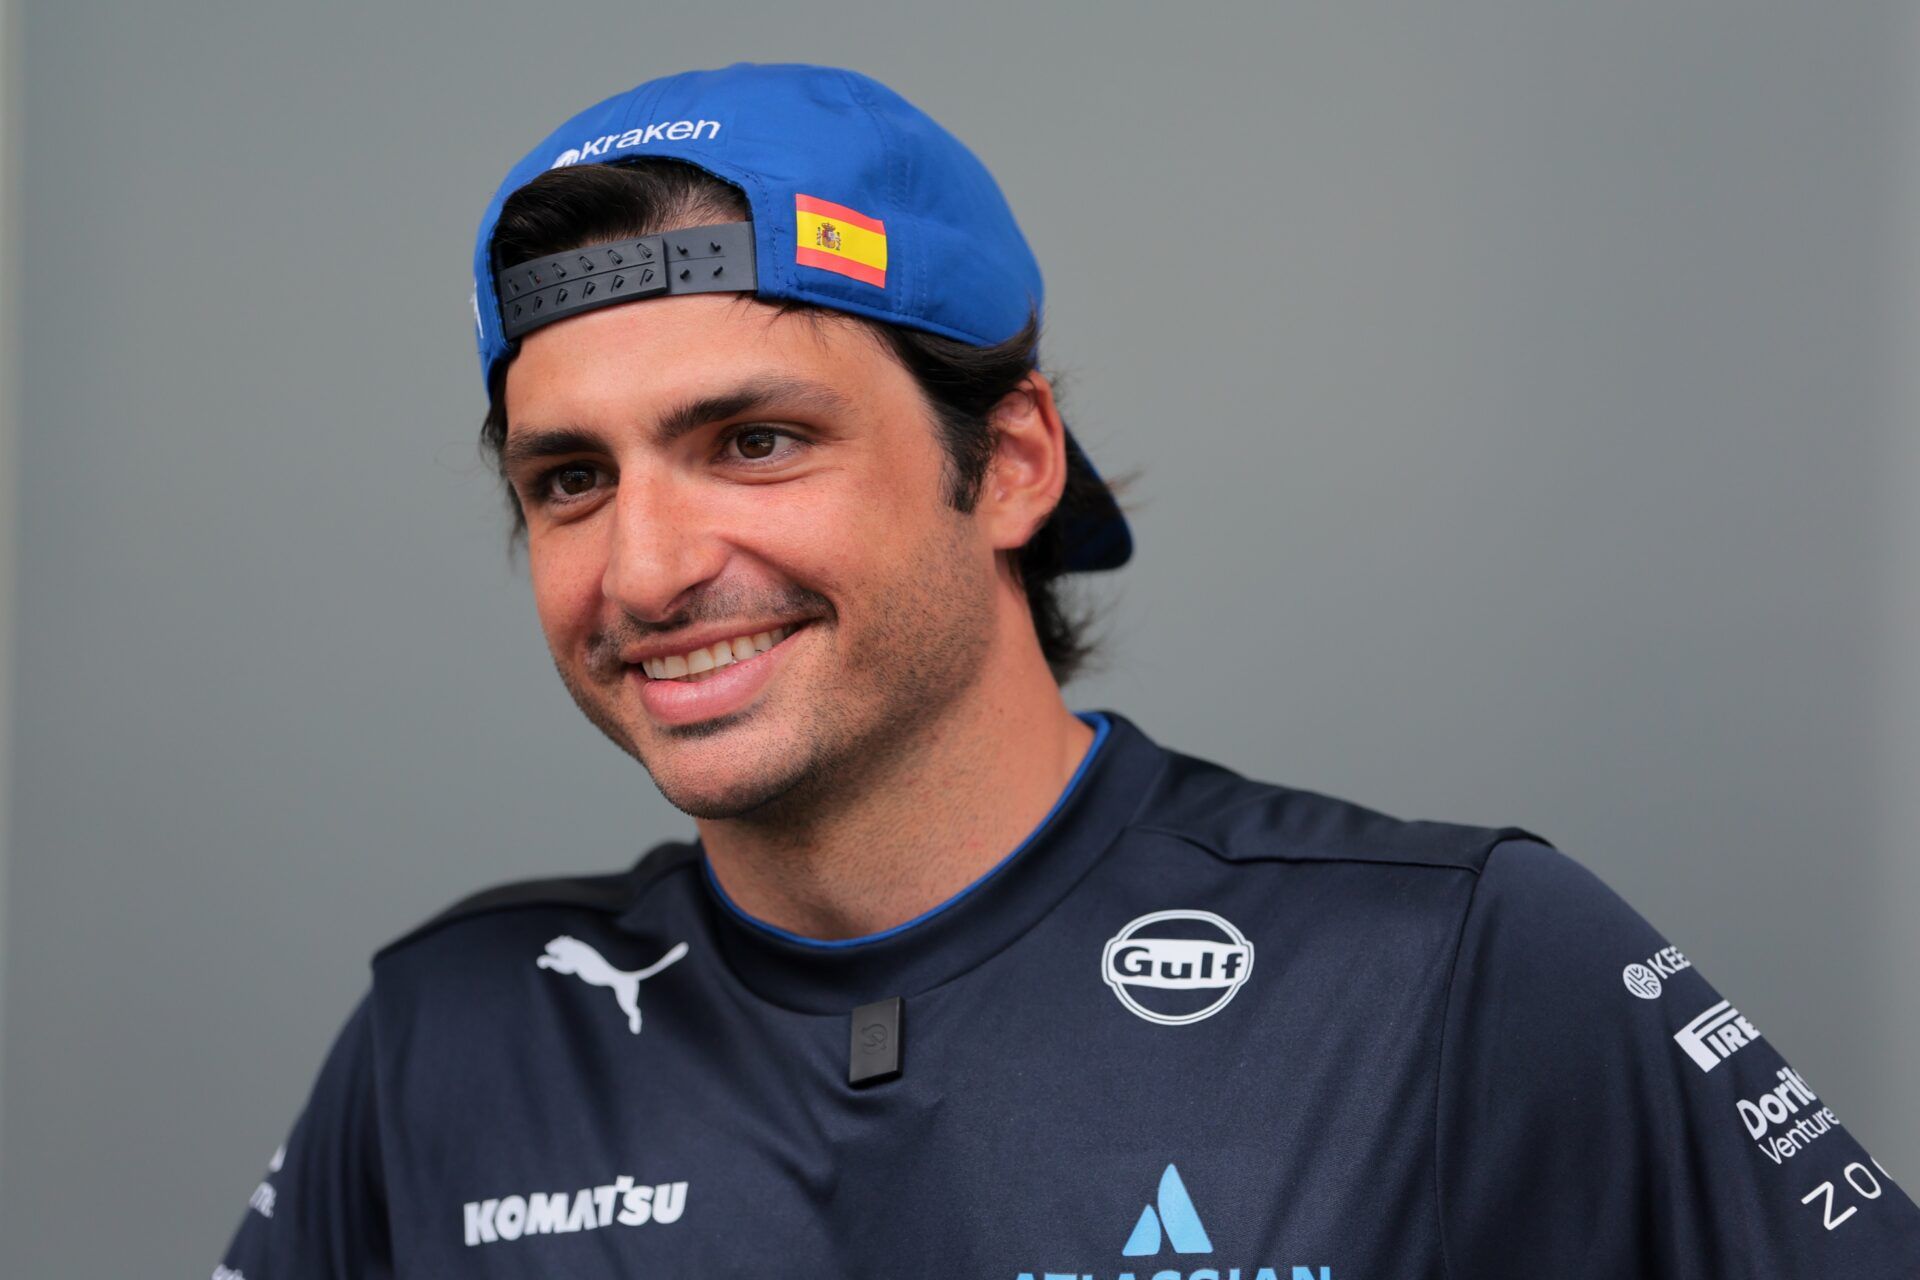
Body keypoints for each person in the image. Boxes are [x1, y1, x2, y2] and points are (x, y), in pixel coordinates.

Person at [217, 62, 1920, 1279]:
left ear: (1014, 459)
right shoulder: (448, 1046)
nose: (647, 567)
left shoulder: (1459, 963)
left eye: (753, 439)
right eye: (569, 480)